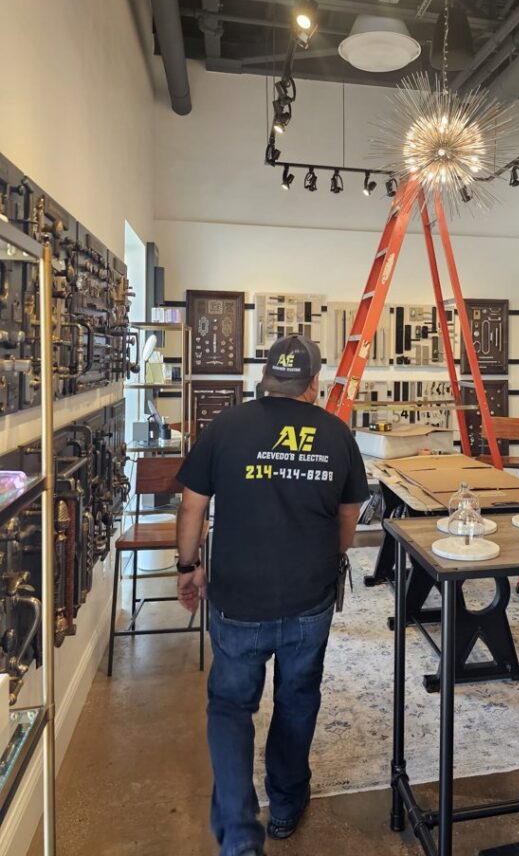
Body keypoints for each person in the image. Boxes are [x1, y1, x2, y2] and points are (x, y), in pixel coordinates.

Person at [175, 334, 369, 856]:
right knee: (297, 698)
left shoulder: (227, 426)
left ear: (266, 377)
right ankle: (286, 804)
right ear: (313, 384)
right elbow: (349, 516)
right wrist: (332, 556)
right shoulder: (336, 433)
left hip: (238, 599)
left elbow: (192, 507)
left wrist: (188, 566)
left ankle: (239, 834)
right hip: (309, 598)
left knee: (231, 707)